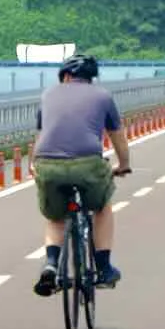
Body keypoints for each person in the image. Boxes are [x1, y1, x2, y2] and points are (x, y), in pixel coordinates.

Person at [31, 54, 133, 295]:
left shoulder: (48, 95)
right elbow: (117, 135)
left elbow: (40, 136)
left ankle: (52, 265)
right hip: (88, 164)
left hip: (48, 164)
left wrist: (33, 165)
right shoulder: (103, 96)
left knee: (55, 217)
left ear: (66, 76)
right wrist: (124, 164)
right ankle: (104, 267)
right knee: (102, 207)